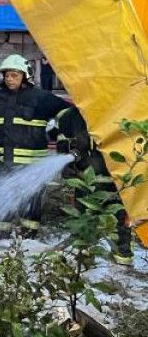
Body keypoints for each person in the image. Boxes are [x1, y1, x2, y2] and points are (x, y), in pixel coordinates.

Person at [0, 54, 71, 235]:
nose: (9, 79)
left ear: (26, 76)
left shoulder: (42, 98)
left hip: (33, 163)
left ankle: (28, 237)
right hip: (2, 160)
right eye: (7, 75)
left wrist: (57, 134)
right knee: (1, 201)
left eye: (14, 75)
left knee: (31, 202)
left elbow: (69, 114)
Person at [54, 106, 135, 266]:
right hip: (86, 180)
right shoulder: (69, 115)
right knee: (84, 218)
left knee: (118, 218)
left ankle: (122, 256)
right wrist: (66, 163)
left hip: (115, 178)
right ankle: (85, 257)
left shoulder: (119, 109)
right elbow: (62, 141)